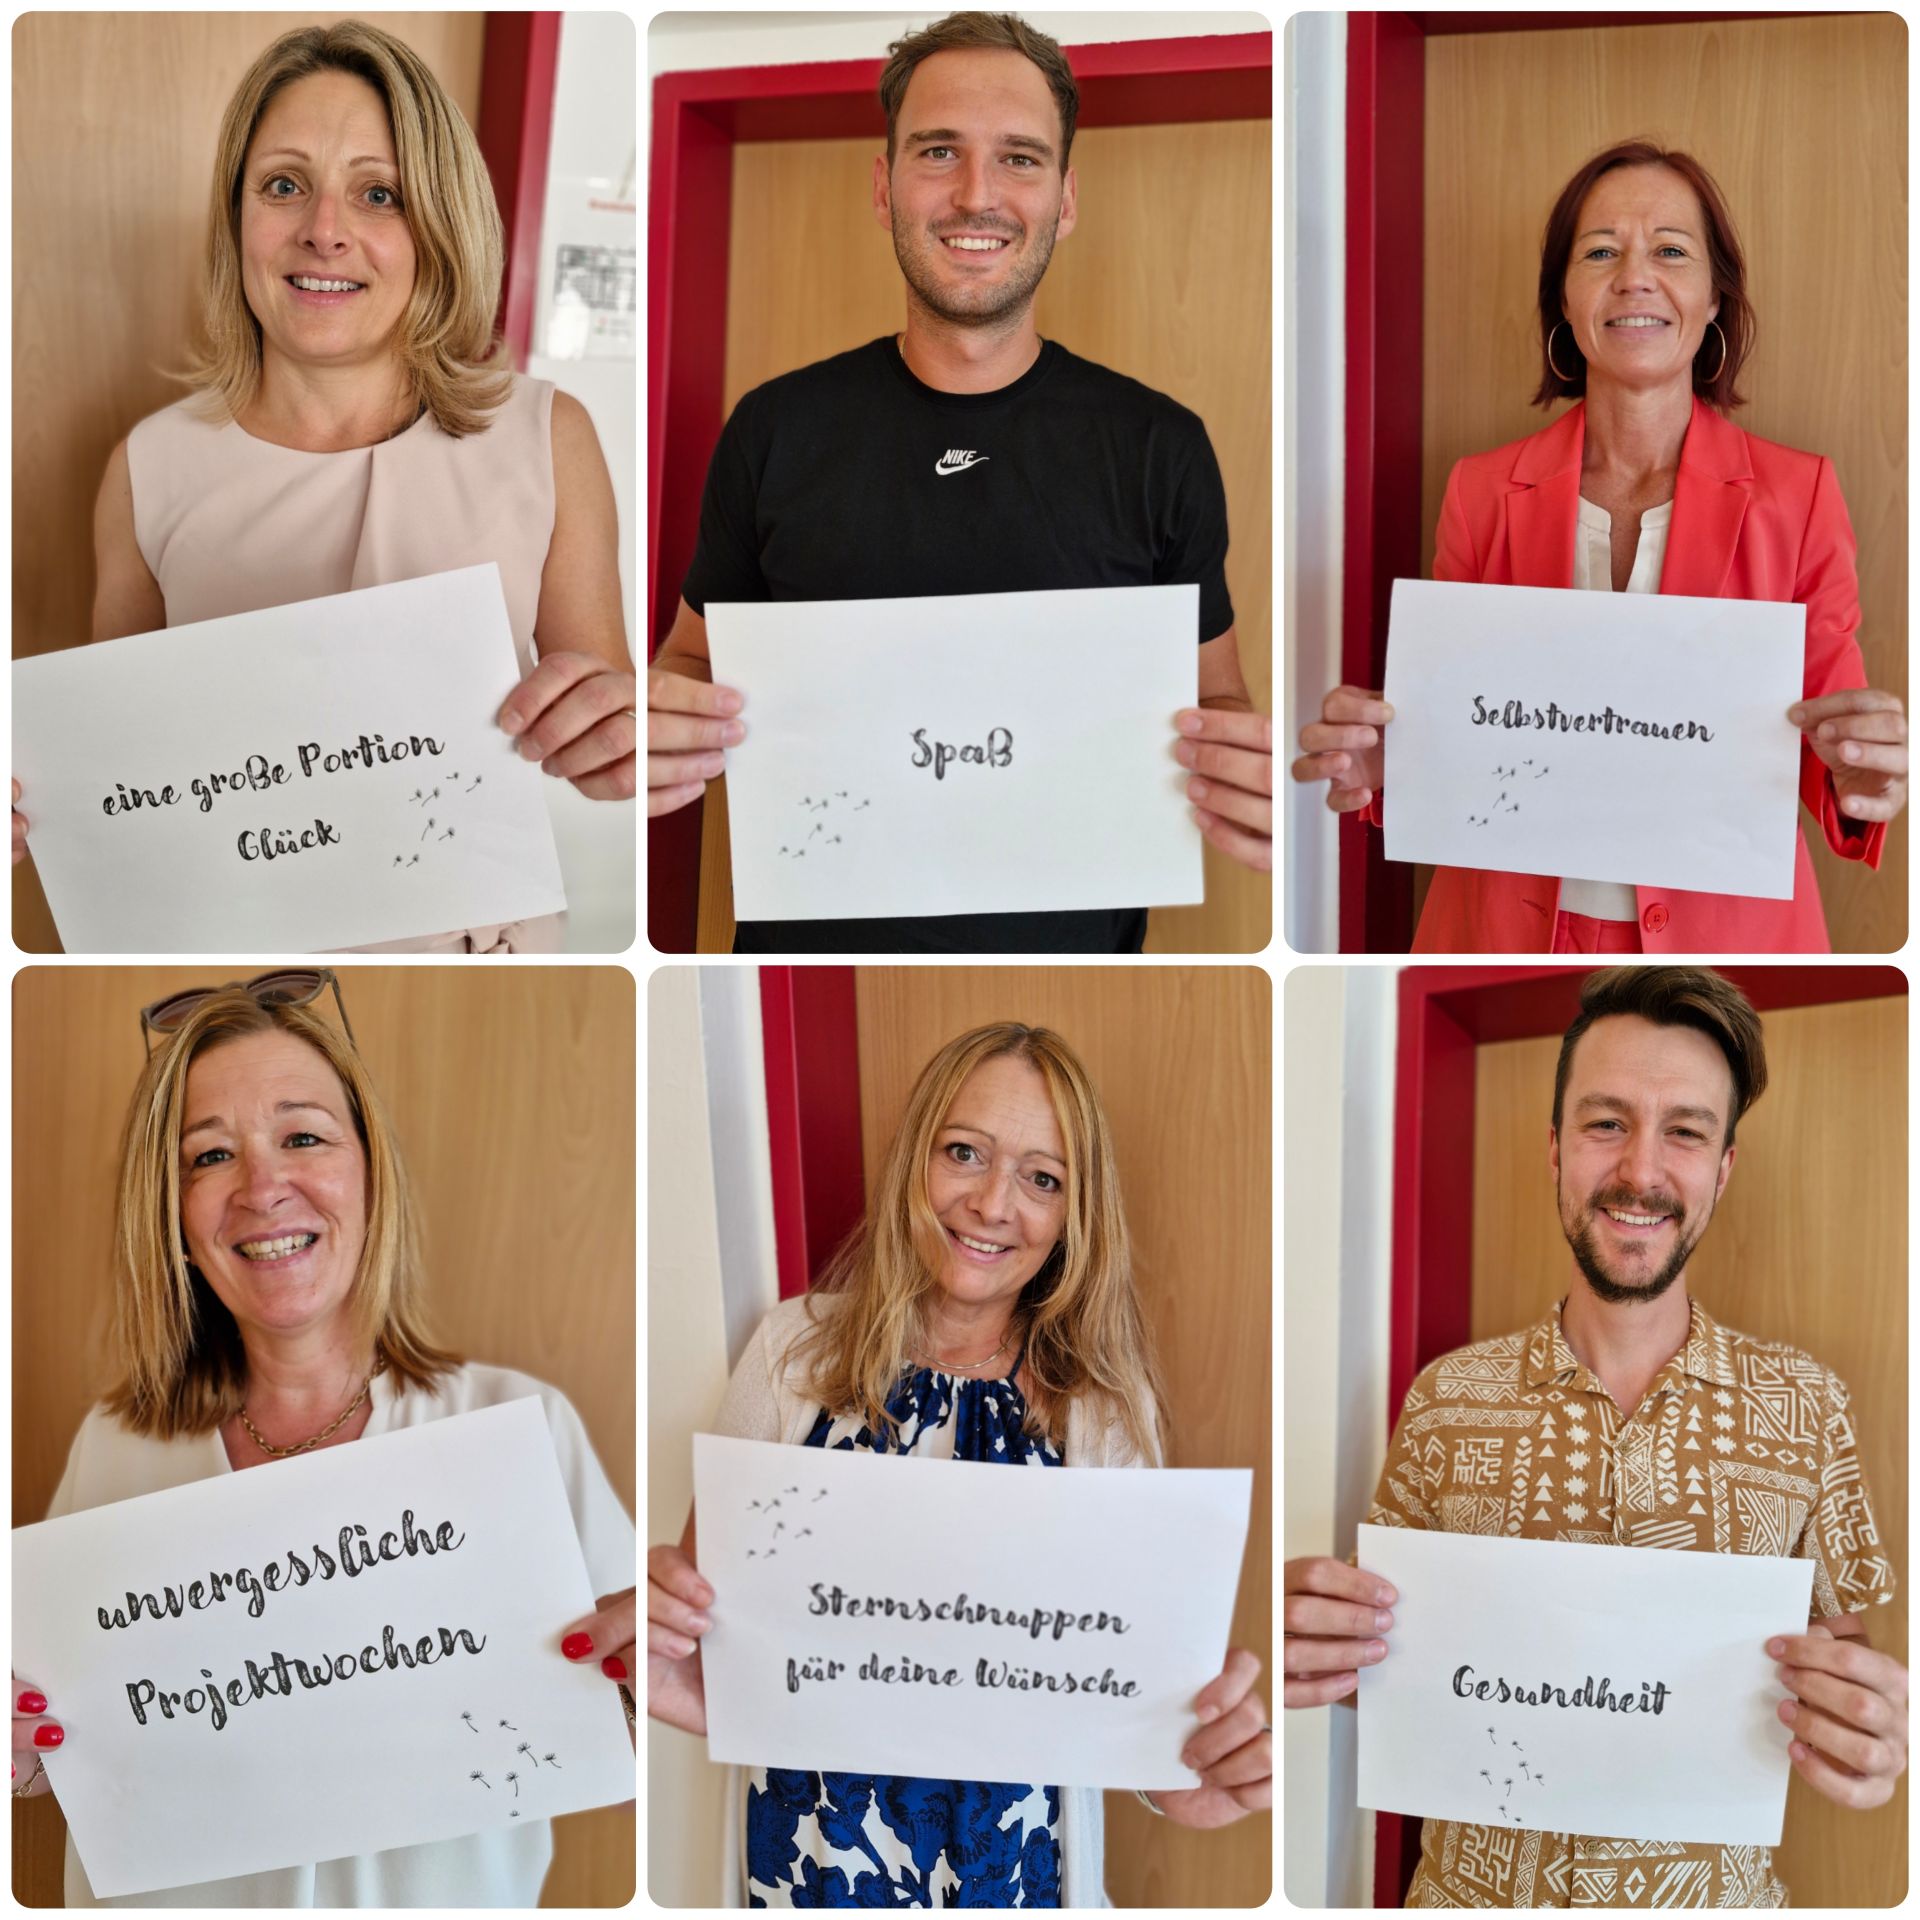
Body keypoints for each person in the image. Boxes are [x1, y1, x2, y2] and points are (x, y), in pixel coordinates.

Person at [646, 11, 1273, 953]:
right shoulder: (775, 430)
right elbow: (691, 665)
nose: (977, 194)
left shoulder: (1159, 446)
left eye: (1020, 158)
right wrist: (662, 725)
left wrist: (1240, 770)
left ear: (1065, 197)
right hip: (810, 951)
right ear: (884, 185)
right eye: (939, 151)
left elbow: (1214, 700)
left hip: (1078, 961)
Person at [1284, 967, 1907, 1905]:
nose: (1641, 1173)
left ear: (1723, 1168)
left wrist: (1869, 1733)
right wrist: (1316, 1649)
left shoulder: (1808, 1407)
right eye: (1607, 1123)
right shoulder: (1447, 1399)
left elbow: (1837, 1657)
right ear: (1556, 1149)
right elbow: (1388, 1666)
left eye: (1685, 1131)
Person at [9, 973, 636, 1906]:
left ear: (371, 1174)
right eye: (210, 1156)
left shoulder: (517, 1427)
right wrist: (23, 1749)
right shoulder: (114, 1446)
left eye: (303, 1137)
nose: (263, 1188)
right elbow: (66, 1746)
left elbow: (621, 1742)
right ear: (173, 1216)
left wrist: (645, 1685)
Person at [10, 20, 635, 952]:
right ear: (236, 215)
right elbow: (121, 787)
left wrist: (619, 739)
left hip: (481, 978)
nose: (325, 231)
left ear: (439, 223)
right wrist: (36, 809)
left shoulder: (548, 437)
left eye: (378, 194)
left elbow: (611, 739)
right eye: (284, 185)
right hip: (235, 967)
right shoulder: (147, 468)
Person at [648, 1023, 1270, 1904]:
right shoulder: (791, 1350)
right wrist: (664, 1657)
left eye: (1042, 1178)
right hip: (806, 1872)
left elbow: (1126, 1701)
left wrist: (1185, 1770)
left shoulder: (1102, 1410)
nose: (991, 1204)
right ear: (917, 1160)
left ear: (1073, 1217)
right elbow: (716, 1656)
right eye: (964, 1153)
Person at [1290, 140, 1907, 953]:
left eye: (1671, 251)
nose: (1634, 277)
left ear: (1715, 297)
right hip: (1498, 932)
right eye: (1601, 252)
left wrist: (1860, 775)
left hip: (1725, 943)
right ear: (1565, 297)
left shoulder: (1802, 495)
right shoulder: (1479, 492)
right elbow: (1457, 740)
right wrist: (1388, 768)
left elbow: (1830, 741)